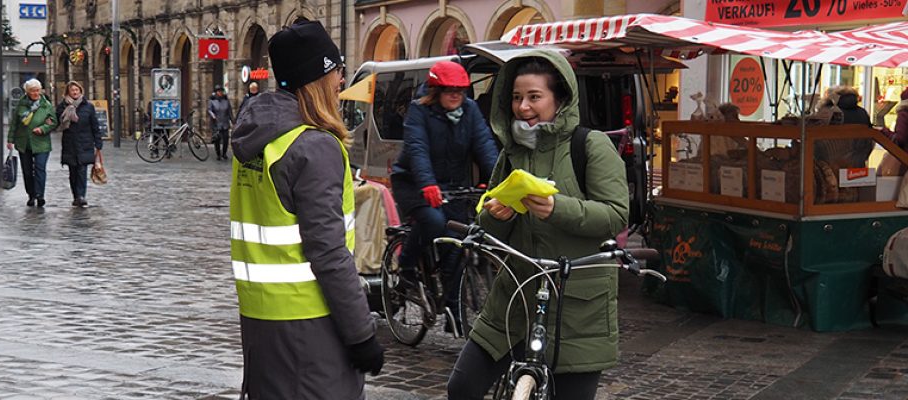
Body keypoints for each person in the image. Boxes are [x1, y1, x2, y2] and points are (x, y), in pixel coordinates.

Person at [446, 50, 629, 400]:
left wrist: (555, 208)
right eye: (516, 97)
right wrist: (495, 217)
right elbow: (489, 221)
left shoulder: (590, 146)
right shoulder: (511, 153)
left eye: (534, 97)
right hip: (514, 296)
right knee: (463, 387)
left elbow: (615, 215)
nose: (523, 107)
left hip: (576, 305)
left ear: (559, 99)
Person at [229, 19, 384, 400]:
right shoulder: (314, 146)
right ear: (317, 78)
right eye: (336, 70)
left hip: (261, 321)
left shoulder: (259, 139)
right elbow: (329, 253)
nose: (342, 81)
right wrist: (362, 333)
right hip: (310, 324)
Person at [389, 60, 498, 332]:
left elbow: (485, 145)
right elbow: (417, 149)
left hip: (454, 186)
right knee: (433, 222)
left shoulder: (470, 111)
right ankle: (407, 268)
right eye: (449, 90)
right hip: (414, 183)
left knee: (459, 244)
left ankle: (452, 307)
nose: (455, 96)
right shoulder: (419, 111)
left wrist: (501, 183)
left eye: (460, 91)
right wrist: (426, 183)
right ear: (436, 91)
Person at [8, 79, 57, 208]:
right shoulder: (22, 104)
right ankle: (31, 195)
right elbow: (15, 123)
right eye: (32, 91)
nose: (35, 93)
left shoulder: (46, 105)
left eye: (37, 90)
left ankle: (40, 195)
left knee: (40, 169)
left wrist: (43, 129)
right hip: (24, 142)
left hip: (41, 143)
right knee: (27, 171)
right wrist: (10, 140)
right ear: (27, 92)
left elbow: (53, 121)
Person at [55, 81, 102, 207]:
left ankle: (81, 196)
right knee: (73, 172)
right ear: (68, 92)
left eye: (77, 90)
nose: (75, 92)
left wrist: (98, 142)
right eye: (72, 90)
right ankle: (75, 195)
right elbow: (58, 122)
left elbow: (95, 125)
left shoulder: (88, 106)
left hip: (85, 142)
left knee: (82, 170)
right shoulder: (62, 106)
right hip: (70, 143)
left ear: (81, 91)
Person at [207, 85, 232, 160]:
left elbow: (229, 111)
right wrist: (213, 115)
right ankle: (218, 153)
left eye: (221, 91)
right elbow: (209, 110)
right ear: (216, 92)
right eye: (218, 91)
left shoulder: (226, 100)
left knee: (225, 139)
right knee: (217, 139)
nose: (220, 93)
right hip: (216, 123)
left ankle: (224, 153)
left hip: (225, 122)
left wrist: (232, 120)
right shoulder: (212, 101)